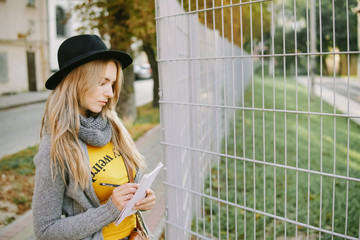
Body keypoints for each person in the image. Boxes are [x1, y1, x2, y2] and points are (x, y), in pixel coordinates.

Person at [32, 34, 156, 240]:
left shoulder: (113, 127)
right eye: (103, 83)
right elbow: (45, 230)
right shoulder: (56, 145)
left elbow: (126, 186)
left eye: (113, 83)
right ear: (77, 82)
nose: (110, 92)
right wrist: (108, 210)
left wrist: (142, 199)